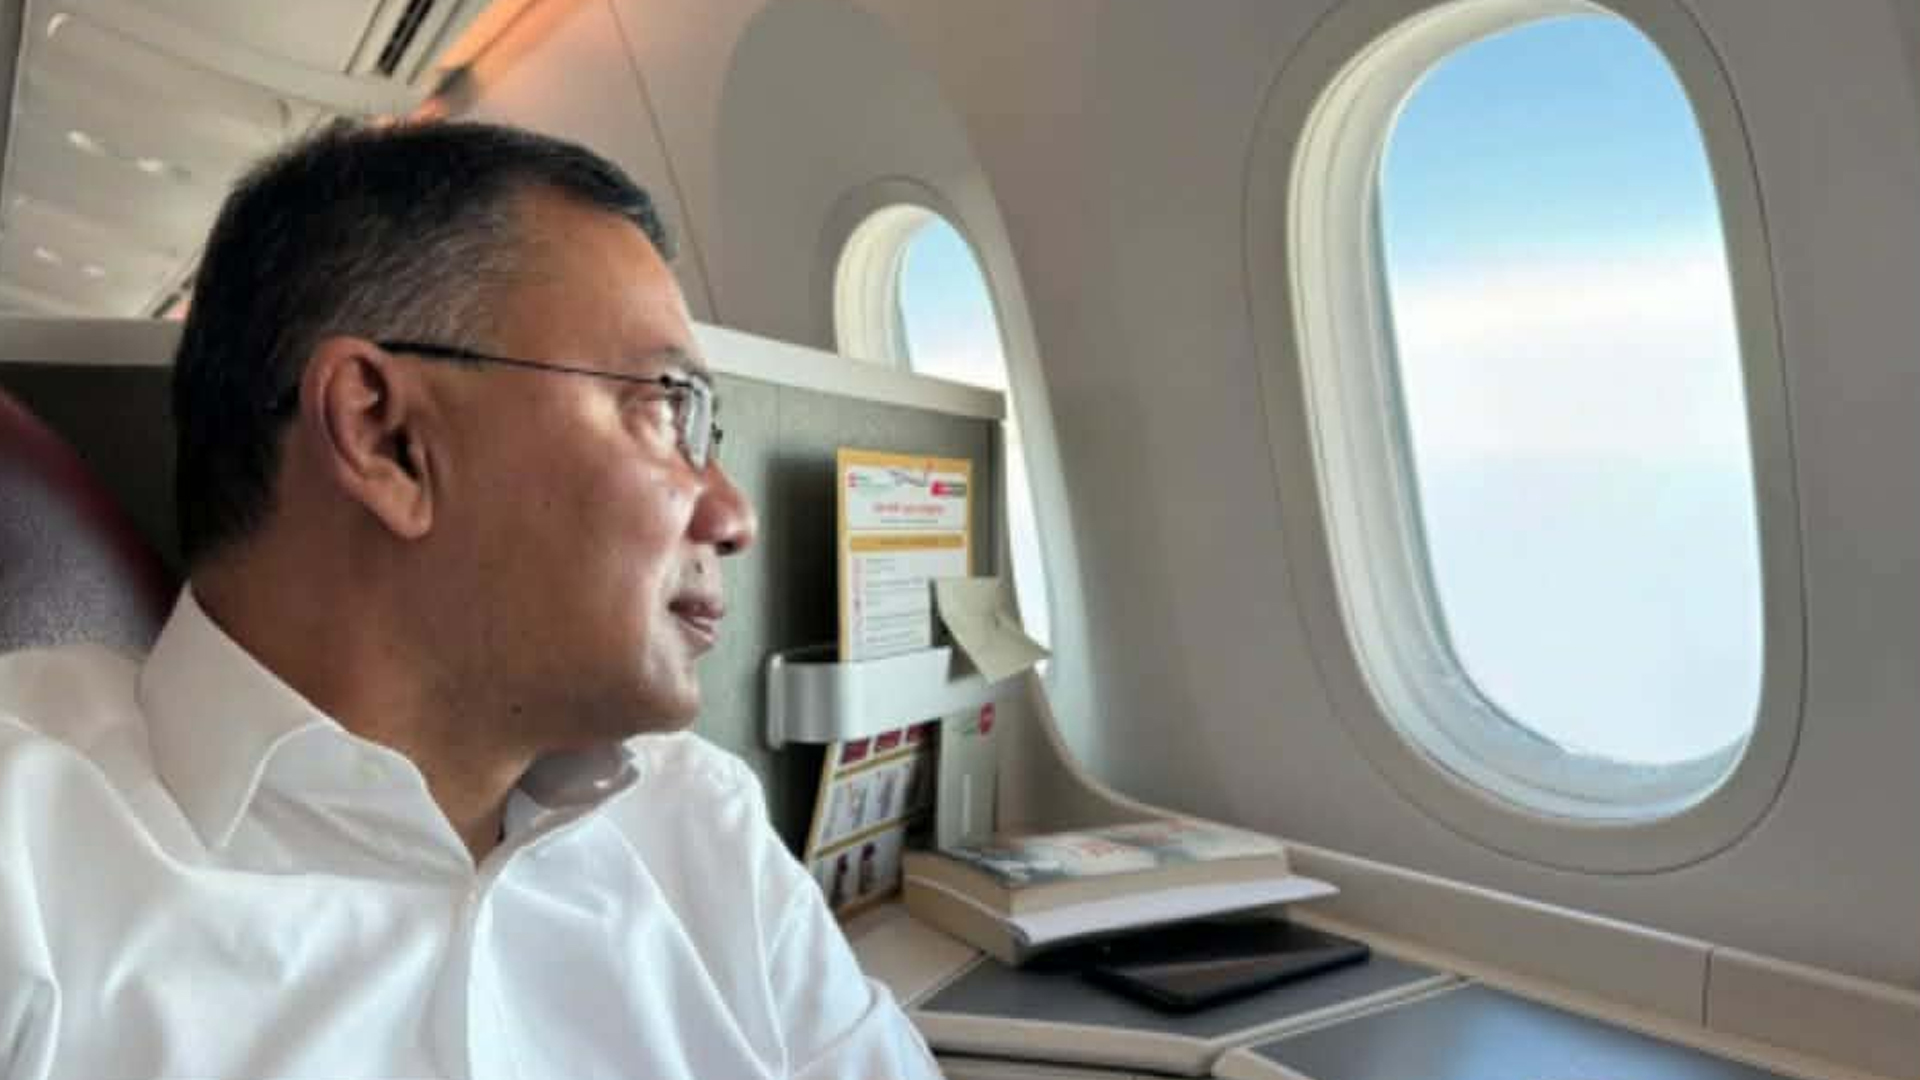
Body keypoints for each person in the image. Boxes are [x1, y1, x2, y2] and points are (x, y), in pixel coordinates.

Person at [0, 121, 941, 1079]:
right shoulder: (27, 864)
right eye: (666, 408)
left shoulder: (699, 824)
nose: (735, 516)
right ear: (389, 439)